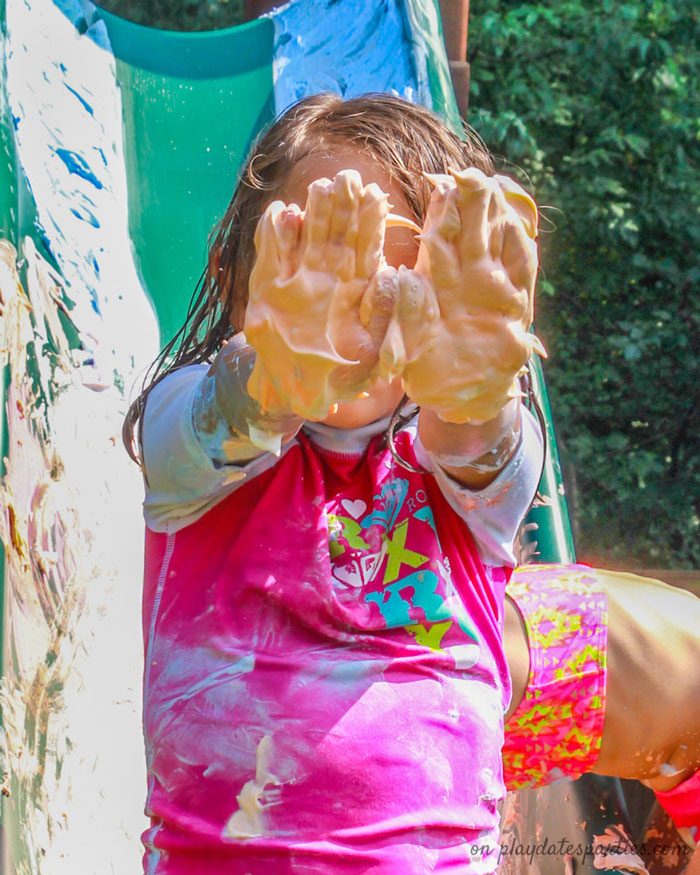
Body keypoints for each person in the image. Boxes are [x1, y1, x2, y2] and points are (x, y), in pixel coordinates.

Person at [124, 93, 699, 872]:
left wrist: (472, 383)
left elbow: (479, 441)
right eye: (316, 254)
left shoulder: (469, 472)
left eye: (401, 271)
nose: (361, 296)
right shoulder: (190, 445)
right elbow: (216, 421)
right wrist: (271, 374)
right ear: (237, 278)